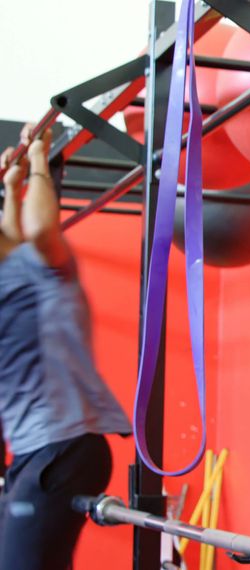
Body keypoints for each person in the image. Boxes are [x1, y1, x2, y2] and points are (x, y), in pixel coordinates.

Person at [0, 125, 131, 569]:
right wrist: (14, 186)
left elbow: (35, 231)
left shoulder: (48, 270)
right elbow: (14, 235)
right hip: (34, 451)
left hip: (63, 446)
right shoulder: (13, 277)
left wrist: (39, 158)